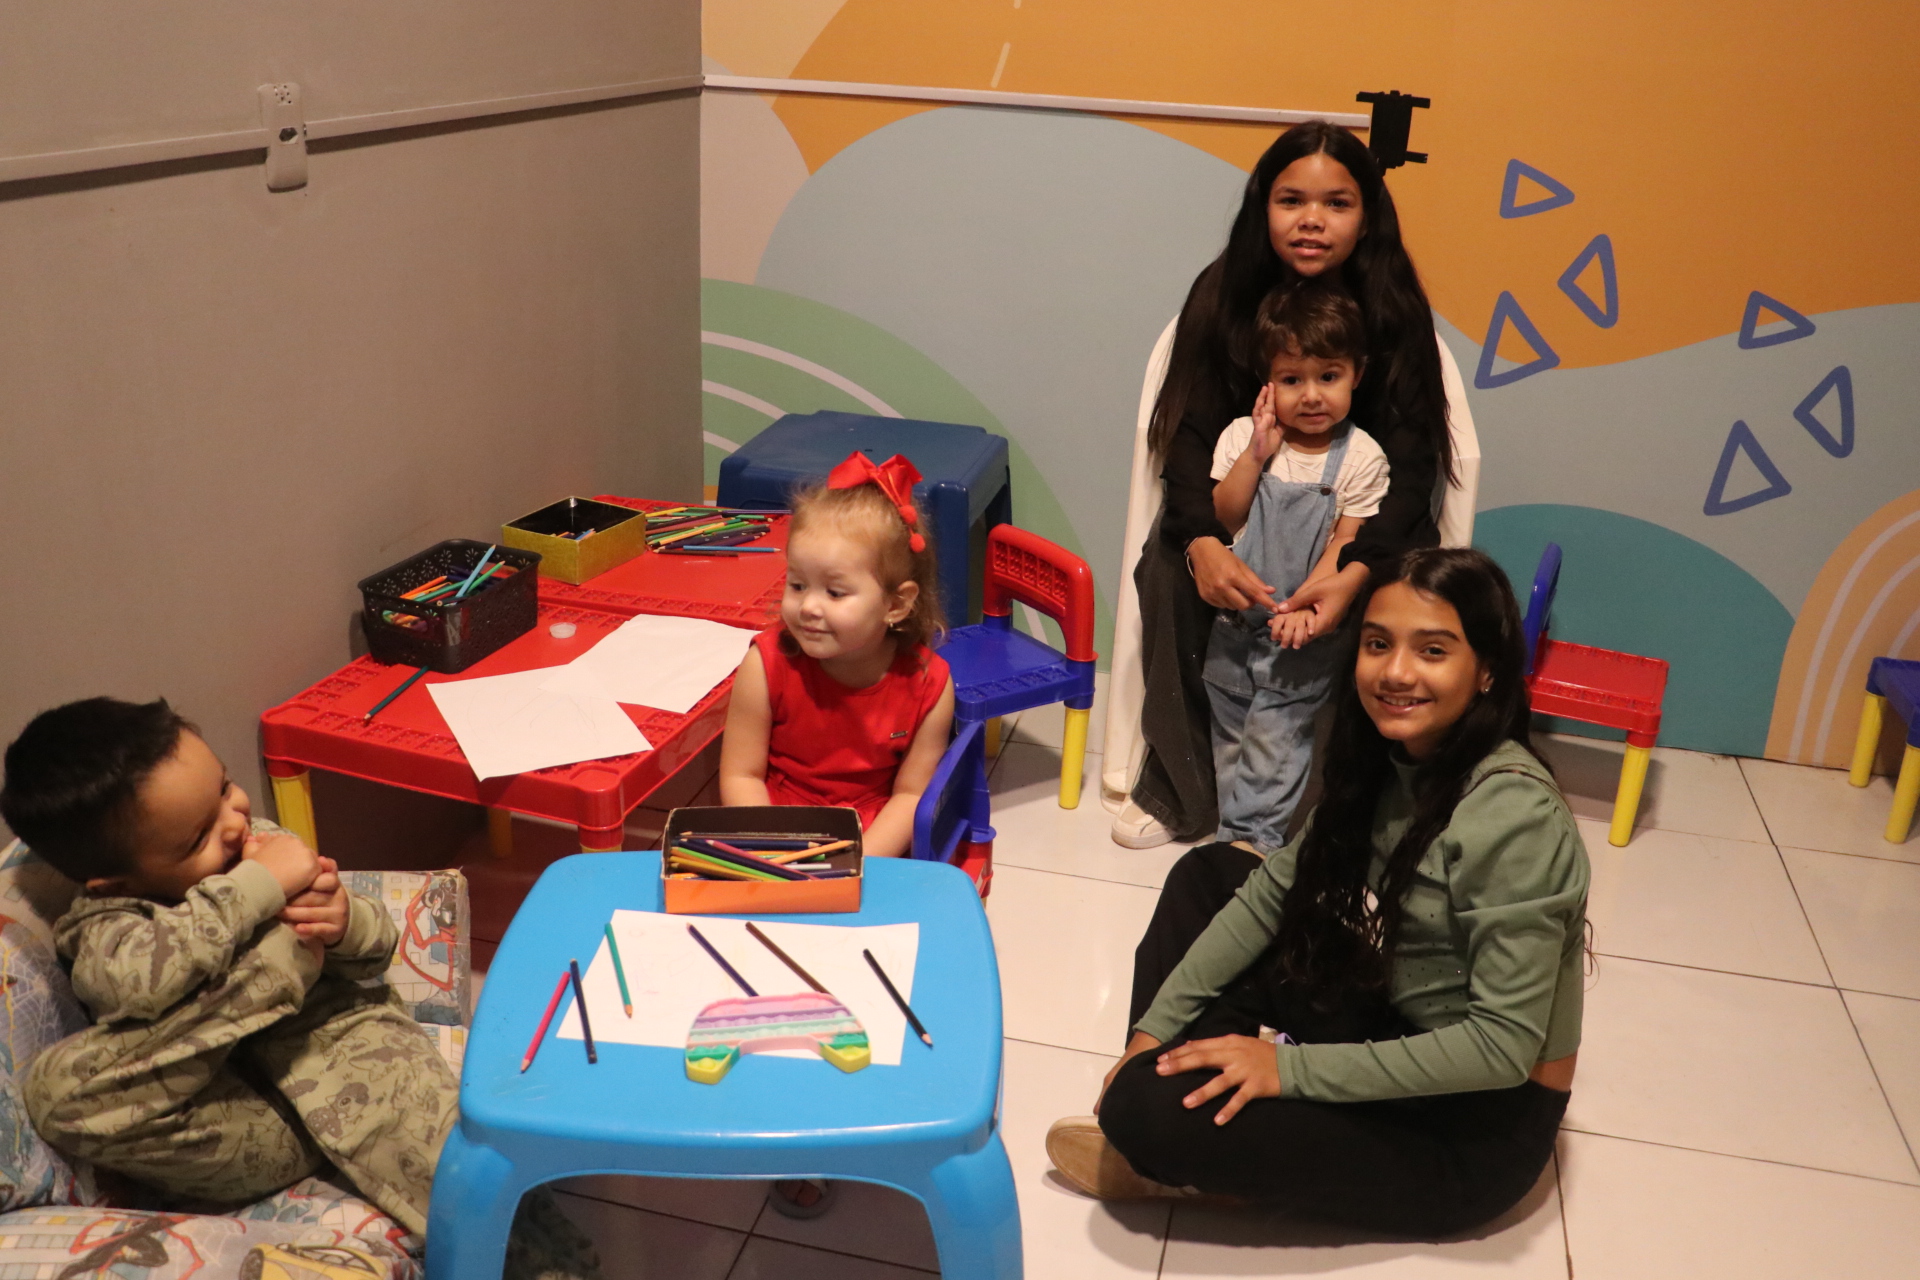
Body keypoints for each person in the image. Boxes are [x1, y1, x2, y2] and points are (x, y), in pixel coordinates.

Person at [1050, 548, 1588, 1239]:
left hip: (1471, 1127)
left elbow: (1499, 1049)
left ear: (1487, 670)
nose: (1396, 672)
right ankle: (1205, 1101)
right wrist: (1149, 1036)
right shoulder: (1389, 757)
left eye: (1432, 650)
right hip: (1398, 1020)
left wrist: (1287, 1070)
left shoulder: (1514, 817)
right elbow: (1268, 896)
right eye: (1378, 644)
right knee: (1210, 877)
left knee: (1139, 1111)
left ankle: (1199, 1139)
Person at [0, 697, 599, 1277]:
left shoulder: (258, 839)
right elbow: (131, 986)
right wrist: (260, 897)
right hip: (244, 1119)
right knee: (57, 1091)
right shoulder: (107, 923)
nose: (236, 823)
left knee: (462, 1173)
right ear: (114, 883)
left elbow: (375, 945)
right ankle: (285, 967)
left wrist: (343, 923)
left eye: (225, 788)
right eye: (198, 837)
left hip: (344, 1048)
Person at [1114, 119, 1454, 849]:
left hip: (1363, 525)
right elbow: (1188, 443)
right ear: (1262, 207)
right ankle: (1180, 788)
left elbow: (1412, 473)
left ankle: (1337, 805)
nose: (1311, 220)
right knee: (1165, 572)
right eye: (1291, 199)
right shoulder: (1223, 295)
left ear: (1368, 218)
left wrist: (1350, 571)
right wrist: (1202, 542)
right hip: (1242, 509)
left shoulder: (1394, 310)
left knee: (1395, 596)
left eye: (1337, 203)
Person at [1204, 281, 1388, 855]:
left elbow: (1347, 542)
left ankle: (1251, 847)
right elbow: (1224, 516)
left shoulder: (1362, 457)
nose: (1311, 396)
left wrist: (1308, 604)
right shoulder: (1244, 436)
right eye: (1291, 380)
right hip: (1234, 625)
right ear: (1267, 381)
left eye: (1328, 377)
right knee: (1231, 740)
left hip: (1302, 633)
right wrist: (1256, 454)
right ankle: (1232, 837)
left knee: (1274, 743)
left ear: (1357, 374)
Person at [719, 448, 956, 859]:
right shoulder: (766, 664)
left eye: (835, 592)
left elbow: (910, 795)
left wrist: (859, 863)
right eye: (797, 585)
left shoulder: (928, 683)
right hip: (774, 824)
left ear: (896, 604)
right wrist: (775, 852)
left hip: (873, 837)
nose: (809, 607)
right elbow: (742, 775)